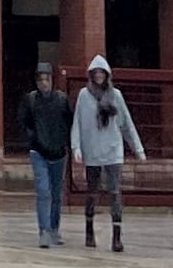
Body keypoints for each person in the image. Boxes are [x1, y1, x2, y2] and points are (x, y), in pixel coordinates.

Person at [72, 54, 146, 251]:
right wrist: (76, 147)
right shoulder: (83, 95)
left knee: (114, 192)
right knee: (92, 191)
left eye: (101, 73)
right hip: (92, 151)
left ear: (107, 75)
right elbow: (77, 123)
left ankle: (117, 236)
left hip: (113, 150)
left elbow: (126, 124)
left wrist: (137, 149)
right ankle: (89, 229)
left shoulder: (116, 96)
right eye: (95, 73)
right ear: (91, 75)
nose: (98, 76)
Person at [19, 61, 76, 247]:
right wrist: (33, 138)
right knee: (43, 191)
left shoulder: (61, 100)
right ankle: (43, 230)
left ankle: (54, 228)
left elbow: (70, 122)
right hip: (38, 151)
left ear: (52, 80)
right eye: (40, 79)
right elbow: (23, 122)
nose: (43, 83)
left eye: (47, 79)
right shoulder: (31, 100)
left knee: (56, 193)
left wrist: (67, 144)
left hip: (58, 152)